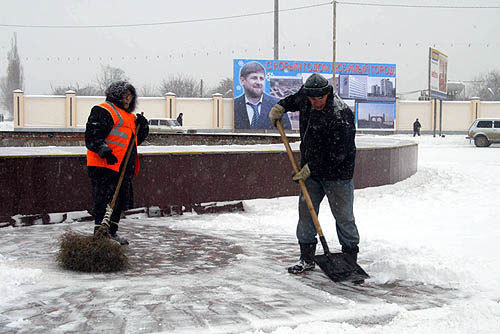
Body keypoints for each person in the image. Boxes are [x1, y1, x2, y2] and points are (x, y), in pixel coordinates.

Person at [269, 73, 360, 274]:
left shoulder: (340, 114)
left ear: (327, 93)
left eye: (320, 98)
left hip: (338, 173)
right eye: (312, 99)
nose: (316, 102)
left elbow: (338, 152)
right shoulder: (307, 96)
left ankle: (350, 259)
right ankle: (306, 258)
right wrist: (281, 107)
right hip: (310, 171)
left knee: (344, 217)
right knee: (306, 213)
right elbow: (294, 100)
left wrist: (310, 168)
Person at [85, 81, 149, 245]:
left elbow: (134, 141)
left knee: (119, 201)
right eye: (124, 96)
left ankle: (112, 232)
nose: (128, 100)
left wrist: (142, 127)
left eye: (130, 96)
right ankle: (100, 232)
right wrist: (104, 150)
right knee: (105, 200)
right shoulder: (103, 110)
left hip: (123, 167)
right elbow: (92, 135)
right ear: (116, 95)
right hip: (104, 165)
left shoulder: (129, 117)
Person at [234, 62, 292, 130]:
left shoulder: (278, 105)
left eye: (261, 78)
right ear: (242, 80)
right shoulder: (234, 105)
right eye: (254, 78)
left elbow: (287, 133)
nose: (259, 82)